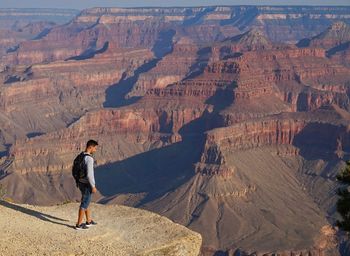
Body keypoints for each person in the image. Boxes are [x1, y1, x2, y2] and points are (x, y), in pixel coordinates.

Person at [75, 139, 99, 230]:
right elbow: (90, 174)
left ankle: (88, 221)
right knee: (84, 203)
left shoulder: (81, 155)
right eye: (95, 148)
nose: (95, 150)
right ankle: (78, 225)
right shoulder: (89, 159)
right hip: (86, 184)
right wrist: (93, 186)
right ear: (90, 147)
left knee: (86, 201)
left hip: (80, 182)